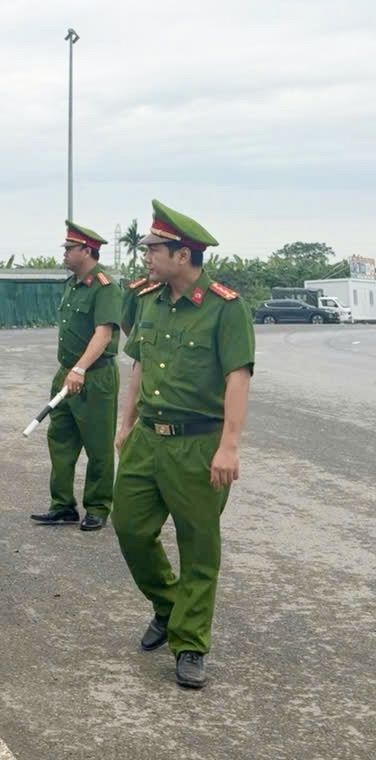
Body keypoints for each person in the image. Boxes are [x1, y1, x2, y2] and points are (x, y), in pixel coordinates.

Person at [113, 200, 254, 690]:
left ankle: (189, 642)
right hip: (147, 439)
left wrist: (229, 446)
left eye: (154, 249)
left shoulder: (225, 307)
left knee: (198, 547)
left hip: (199, 443)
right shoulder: (149, 300)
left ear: (183, 254)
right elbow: (138, 365)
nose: (146, 257)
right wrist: (125, 423)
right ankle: (168, 605)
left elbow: (238, 376)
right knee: (128, 526)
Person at [30, 221, 122, 531]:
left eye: (70, 249)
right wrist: (70, 371)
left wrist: (80, 368)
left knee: (98, 445)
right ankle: (62, 505)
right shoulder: (71, 285)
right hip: (66, 374)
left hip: (94, 376)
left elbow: (103, 332)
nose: (65, 254)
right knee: (60, 439)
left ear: (87, 250)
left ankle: (97, 506)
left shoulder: (105, 286)